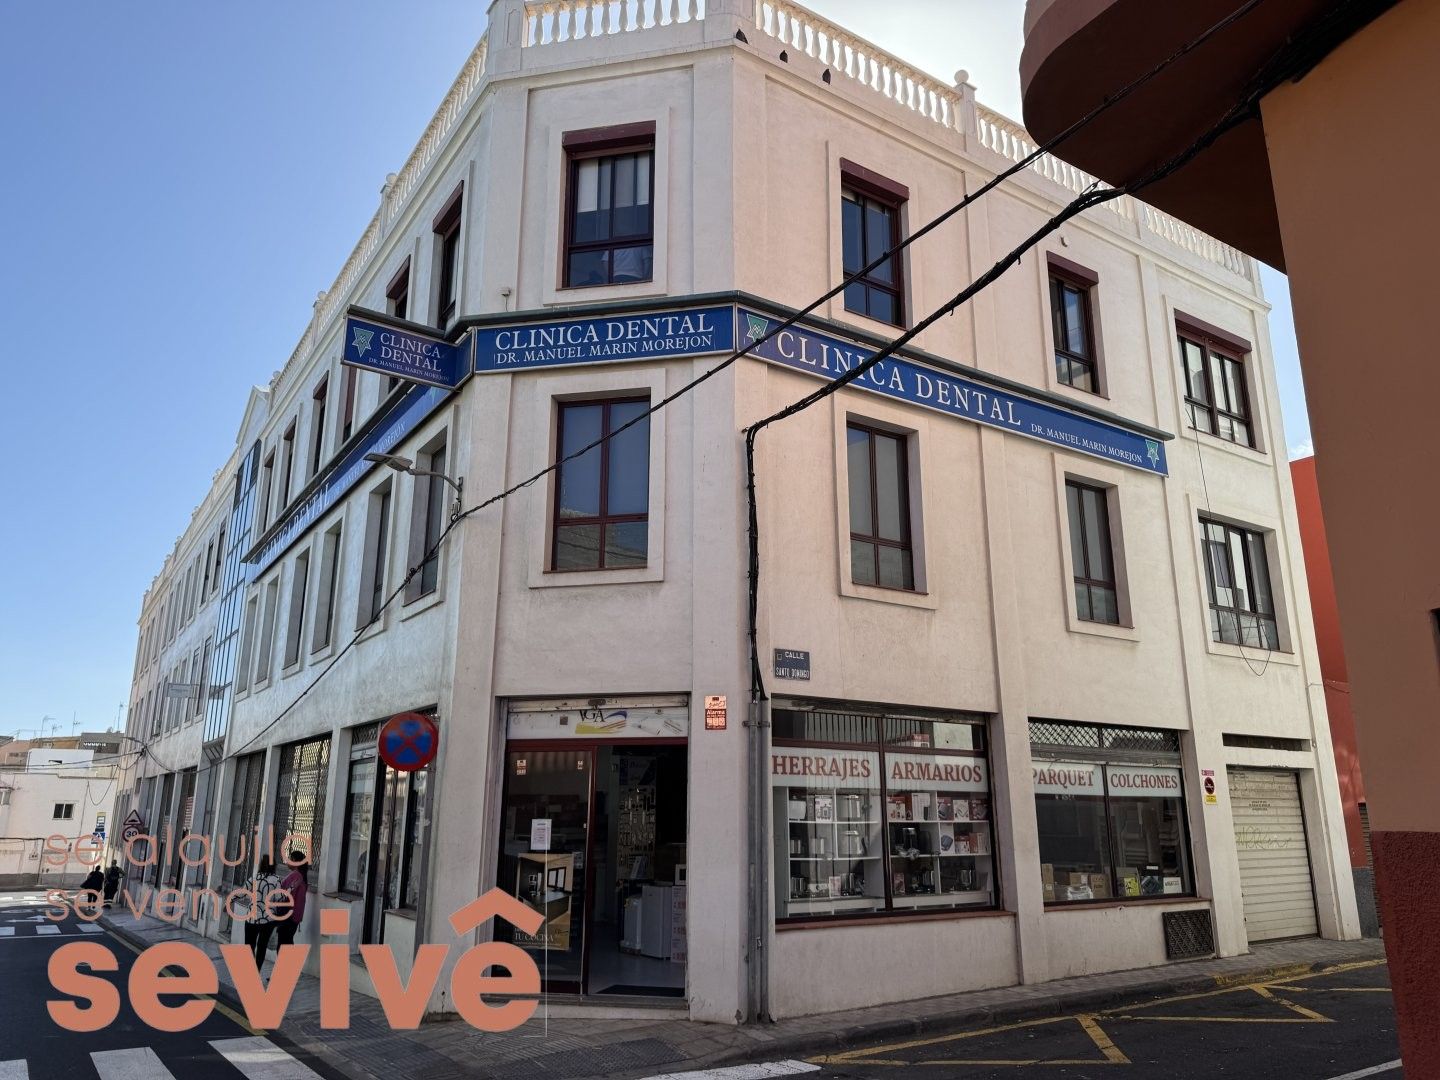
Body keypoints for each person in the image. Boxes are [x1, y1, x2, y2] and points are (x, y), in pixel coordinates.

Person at [243, 857, 283, 967]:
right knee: (262, 947)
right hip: (268, 920)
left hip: (252, 918)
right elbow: (279, 899)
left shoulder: (254, 878)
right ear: (274, 866)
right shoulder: (276, 880)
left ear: (261, 865)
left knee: (249, 946)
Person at [275, 850, 309, 949]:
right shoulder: (301, 875)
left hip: (288, 916)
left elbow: (284, 894)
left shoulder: (295, 875)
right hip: (294, 916)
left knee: (283, 944)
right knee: (287, 942)